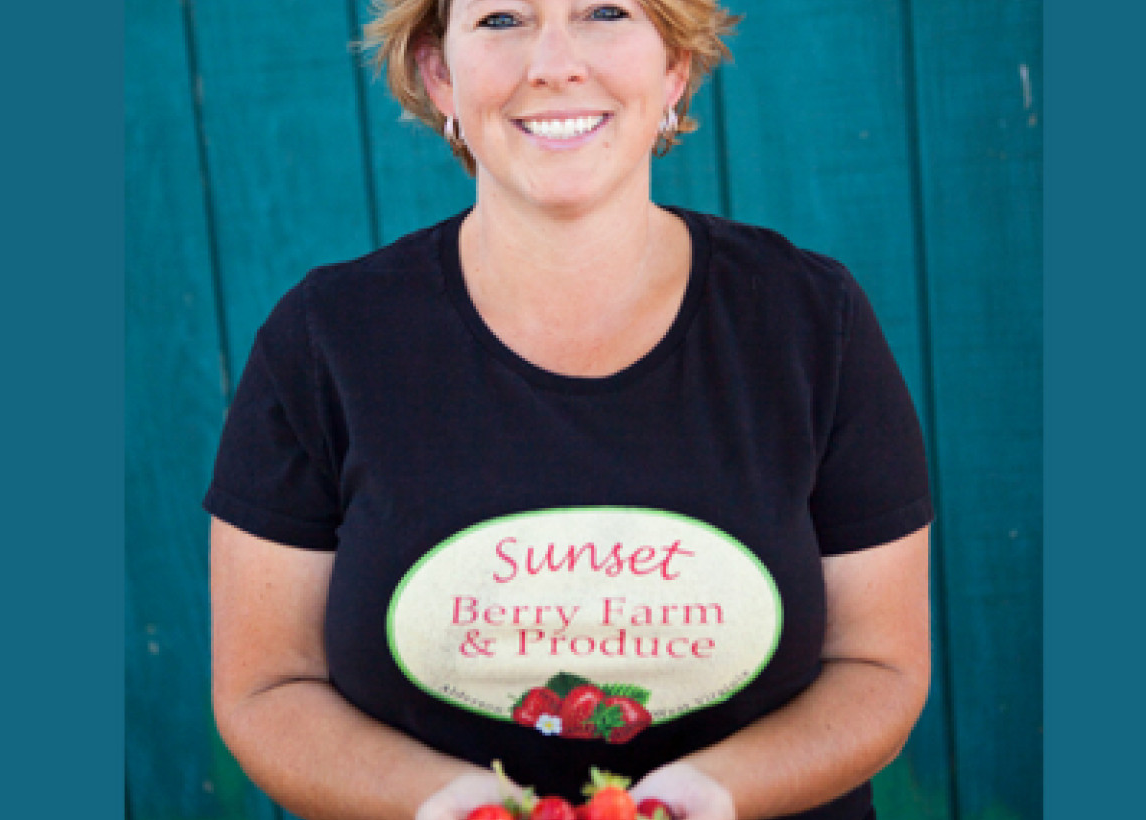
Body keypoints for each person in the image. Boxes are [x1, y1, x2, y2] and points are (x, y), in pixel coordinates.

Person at [204, 1, 933, 819]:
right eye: (502, 19)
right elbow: (267, 687)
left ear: (675, 70)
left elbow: (879, 666)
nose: (553, 63)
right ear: (438, 73)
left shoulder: (808, 320)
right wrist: (451, 805)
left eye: (605, 11)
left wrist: (710, 799)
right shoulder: (324, 340)